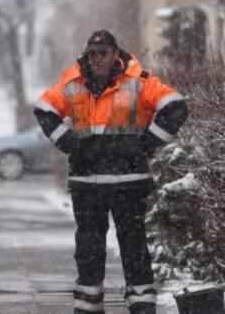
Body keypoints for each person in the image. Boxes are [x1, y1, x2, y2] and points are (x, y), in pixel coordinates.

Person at [34, 30, 188, 314]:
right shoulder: (72, 82)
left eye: (103, 53)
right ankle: (88, 304)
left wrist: (147, 143)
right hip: (87, 181)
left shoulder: (138, 81)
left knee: (133, 244)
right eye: (92, 54)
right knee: (89, 246)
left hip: (128, 181)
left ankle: (142, 304)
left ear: (115, 53)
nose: (97, 59)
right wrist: (69, 144)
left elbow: (175, 107)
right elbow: (44, 109)